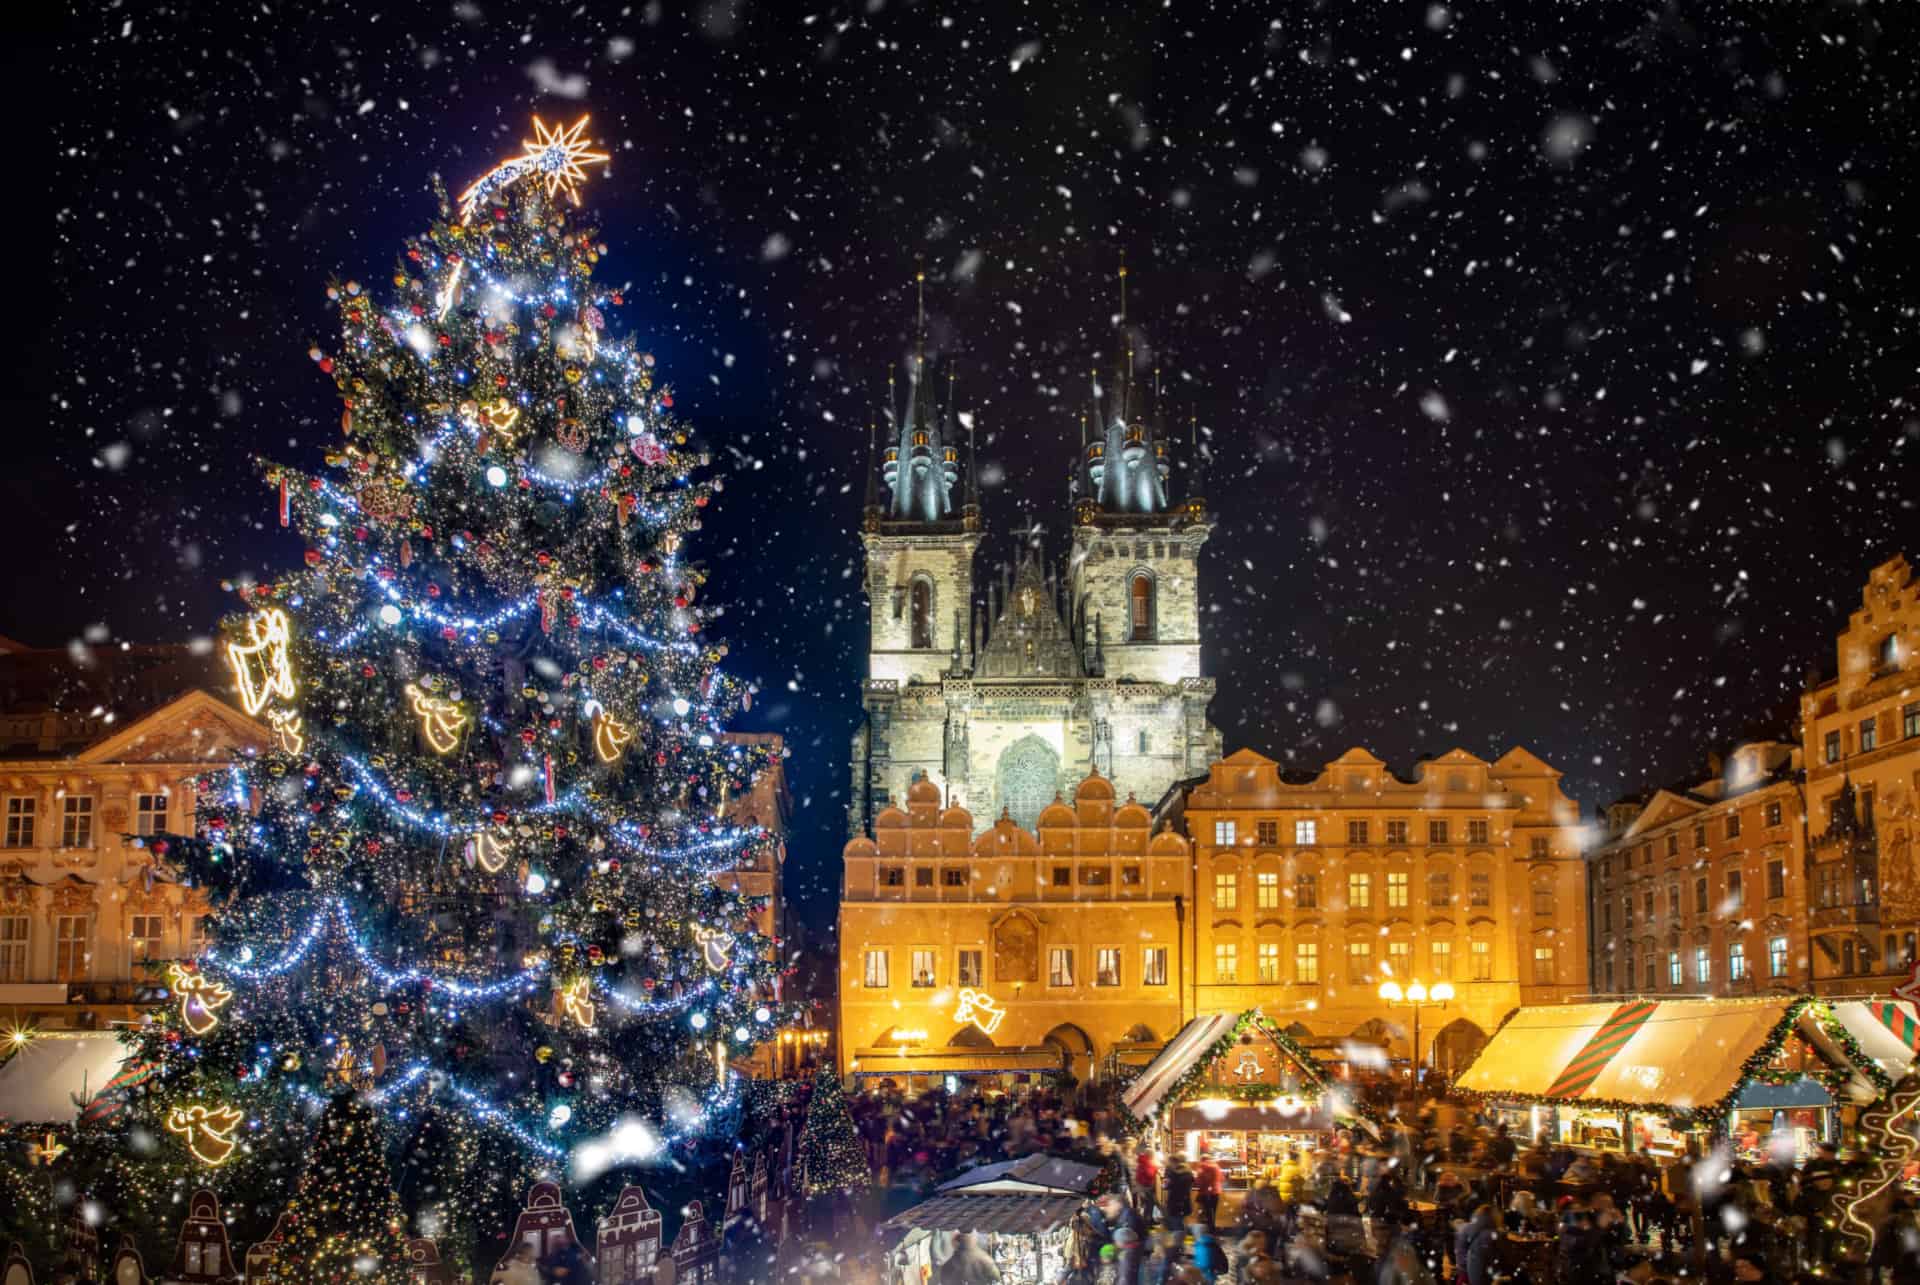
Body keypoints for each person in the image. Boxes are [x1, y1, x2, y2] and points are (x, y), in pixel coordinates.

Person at [1453, 1203, 1497, 1285]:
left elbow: (1459, 1250)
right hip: (1474, 1272)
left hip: (1464, 1272)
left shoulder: (1467, 1228)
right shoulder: (1488, 1234)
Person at [1193, 1152, 1225, 1230]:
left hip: (1206, 1192)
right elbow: (1222, 1179)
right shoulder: (1216, 1166)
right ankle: (1212, 1227)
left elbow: (1199, 1182)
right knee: (1213, 1210)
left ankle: (1207, 1228)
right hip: (1216, 1192)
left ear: (1201, 1160)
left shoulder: (1202, 1168)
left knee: (1206, 1211)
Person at [1164, 1156, 1196, 1230]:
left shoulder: (1173, 1173)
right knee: (1181, 1220)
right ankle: (1182, 1235)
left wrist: (1165, 1183)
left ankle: (1179, 1237)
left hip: (1174, 1200)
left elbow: (1167, 1186)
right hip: (1185, 1200)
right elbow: (1192, 1182)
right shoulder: (1188, 1172)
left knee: (1176, 1222)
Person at [1135, 1148, 1162, 1225]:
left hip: (1145, 1186)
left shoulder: (1144, 1161)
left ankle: (1149, 1220)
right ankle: (1147, 1222)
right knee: (1149, 1204)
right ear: (1151, 1155)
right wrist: (1156, 1168)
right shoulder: (1146, 1162)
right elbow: (1149, 1174)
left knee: (1150, 1203)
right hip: (1145, 1187)